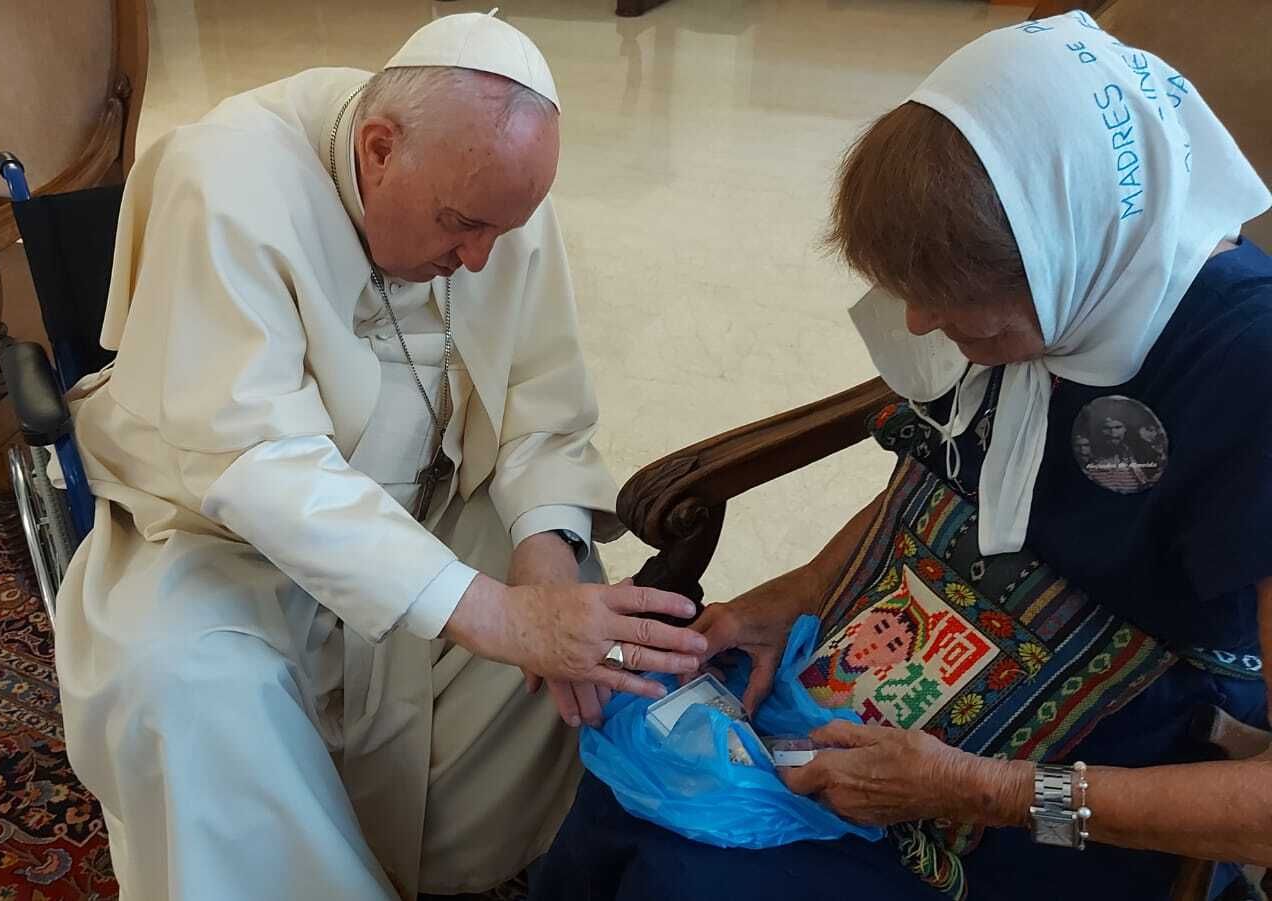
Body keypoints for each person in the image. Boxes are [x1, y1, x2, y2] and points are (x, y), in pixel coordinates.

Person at [533, 13, 1272, 901]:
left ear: (1060, 253)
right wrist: (799, 592)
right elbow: (939, 475)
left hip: (1091, 774)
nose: (920, 327)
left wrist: (978, 789)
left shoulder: (1246, 376)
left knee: (696, 878)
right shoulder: (1061, 287)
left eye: (952, 307)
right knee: (637, 776)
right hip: (917, 654)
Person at [51, 13, 708, 900]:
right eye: (459, 227)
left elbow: (541, 407)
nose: (479, 261)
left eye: (498, 235)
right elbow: (258, 462)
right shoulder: (228, 180)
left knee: (583, 621)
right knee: (180, 680)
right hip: (226, 542)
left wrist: (543, 565)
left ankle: (444, 856)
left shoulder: (493, 198)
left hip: (431, 506)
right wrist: (491, 614)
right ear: (378, 149)